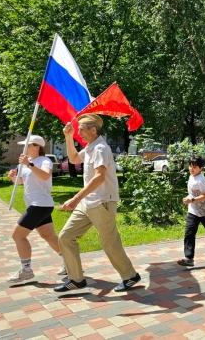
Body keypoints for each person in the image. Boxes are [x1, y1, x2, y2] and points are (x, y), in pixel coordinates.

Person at [55, 114, 141, 292]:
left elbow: (99, 177)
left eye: (81, 130)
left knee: (109, 243)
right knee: (65, 236)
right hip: (87, 203)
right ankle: (76, 279)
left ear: (93, 130)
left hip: (102, 203)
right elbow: (72, 159)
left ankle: (130, 276)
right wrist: (68, 137)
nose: (79, 133)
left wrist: (75, 198)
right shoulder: (89, 148)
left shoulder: (101, 148)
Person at [6, 135, 63, 283]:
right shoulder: (24, 163)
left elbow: (45, 176)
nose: (24, 148)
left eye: (28, 145)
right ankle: (70, 263)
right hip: (36, 204)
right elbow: (21, 182)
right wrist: (13, 177)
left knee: (17, 236)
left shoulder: (44, 161)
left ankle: (26, 270)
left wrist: (29, 165)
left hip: (40, 204)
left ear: (37, 147)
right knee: (49, 236)